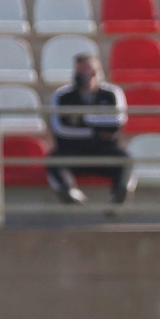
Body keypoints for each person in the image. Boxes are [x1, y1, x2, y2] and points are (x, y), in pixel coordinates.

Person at [47, 53, 134, 206]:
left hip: (104, 150)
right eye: (80, 71)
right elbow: (59, 128)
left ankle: (118, 195)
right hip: (72, 150)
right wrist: (96, 129)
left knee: (125, 158)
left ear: (98, 72)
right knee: (54, 159)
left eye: (90, 71)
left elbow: (118, 120)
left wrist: (82, 121)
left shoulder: (112, 93)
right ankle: (70, 192)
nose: (86, 75)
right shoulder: (62, 95)